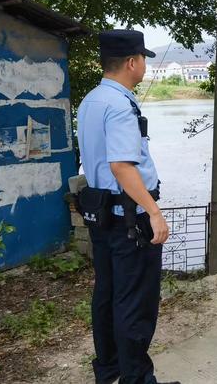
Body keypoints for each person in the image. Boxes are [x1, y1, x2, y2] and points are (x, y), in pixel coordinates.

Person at [77, 30, 178, 384]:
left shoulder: (91, 100)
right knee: (135, 304)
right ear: (133, 62)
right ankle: (137, 379)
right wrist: (154, 211)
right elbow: (122, 166)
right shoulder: (120, 105)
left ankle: (109, 373)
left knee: (106, 296)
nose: (146, 66)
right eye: (144, 59)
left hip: (103, 217)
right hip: (129, 221)